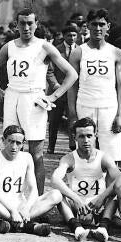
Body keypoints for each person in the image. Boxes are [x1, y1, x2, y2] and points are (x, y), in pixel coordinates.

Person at [0, 8, 77, 194]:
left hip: (34, 99)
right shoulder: (9, 46)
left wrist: (53, 96)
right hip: (12, 96)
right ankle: (11, 195)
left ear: (36, 24)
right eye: (22, 23)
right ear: (16, 25)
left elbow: (72, 74)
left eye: (30, 23)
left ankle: (36, 198)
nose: (26, 27)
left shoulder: (44, 46)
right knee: (10, 150)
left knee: (36, 154)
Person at [67, 9, 121, 164]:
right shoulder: (78, 52)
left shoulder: (116, 52)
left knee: (112, 156)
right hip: (85, 105)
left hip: (109, 107)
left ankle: (111, 188)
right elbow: (72, 85)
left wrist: (120, 114)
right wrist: (72, 114)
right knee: (84, 152)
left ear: (108, 27)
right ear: (88, 26)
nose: (98, 28)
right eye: (94, 24)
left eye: (102, 24)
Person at [51, 117, 120, 242]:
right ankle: (76, 228)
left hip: (99, 207)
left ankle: (103, 228)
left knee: (116, 194)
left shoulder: (104, 157)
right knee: (59, 195)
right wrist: (76, 199)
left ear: (95, 135)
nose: (86, 140)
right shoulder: (69, 158)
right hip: (76, 207)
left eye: (89, 136)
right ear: (75, 137)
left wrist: (102, 197)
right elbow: (55, 179)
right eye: (81, 136)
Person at [0, 125, 62, 235]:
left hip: (20, 206)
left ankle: (12, 223)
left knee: (56, 195)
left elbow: (33, 190)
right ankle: (27, 225)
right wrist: (12, 211)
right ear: (3, 140)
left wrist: (26, 208)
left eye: (18, 143)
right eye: (10, 141)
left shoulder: (27, 157)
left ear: (23, 144)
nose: (14, 146)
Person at [48, 23, 79, 154]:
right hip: (58, 92)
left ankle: (73, 145)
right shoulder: (55, 50)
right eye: (69, 35)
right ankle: (51, 146)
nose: (71, 38)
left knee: (73, 119)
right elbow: (49, 71)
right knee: (54, 121)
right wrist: (55, 85)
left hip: (74, 92)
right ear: (64, 36)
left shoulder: (80, 51)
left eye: (74, 35)